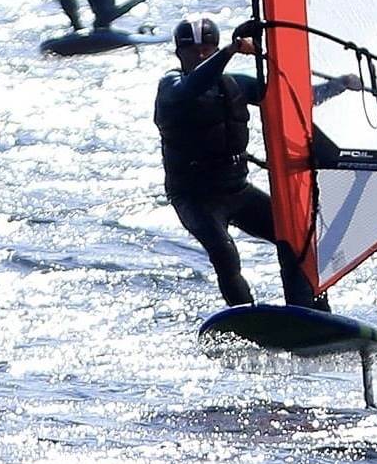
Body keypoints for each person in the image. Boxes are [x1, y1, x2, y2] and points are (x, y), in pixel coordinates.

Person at [153, 16, 362, 309]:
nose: (200, 56)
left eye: (206, 50)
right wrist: (230, 51)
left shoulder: (234, 85)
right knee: (224, 253)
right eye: (192, 51)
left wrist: (339, 84)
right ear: (179, 54)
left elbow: (292, 99)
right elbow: (193, 87)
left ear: (213, 50)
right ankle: (244, 315)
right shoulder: (171, 88)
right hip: (195, 199)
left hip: (236, 190)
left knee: (297, 239)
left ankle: (311, 309)